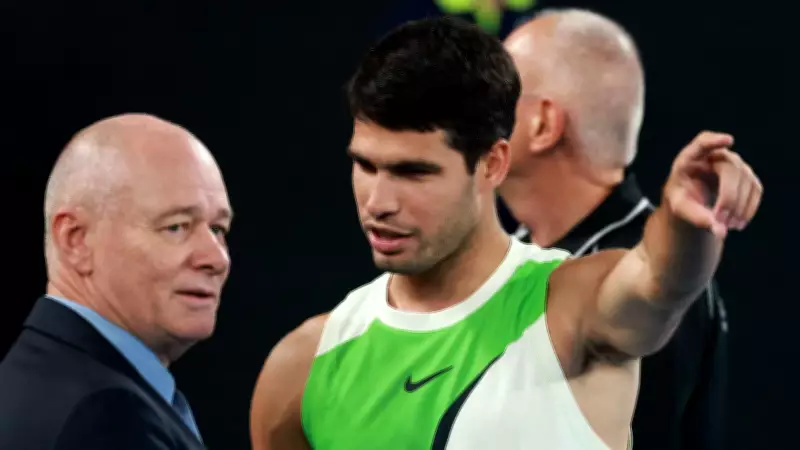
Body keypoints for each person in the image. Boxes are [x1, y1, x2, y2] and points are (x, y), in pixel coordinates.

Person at [249, 16, 761, 450]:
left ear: (492, 163)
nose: (378, 203)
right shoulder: (301, 364)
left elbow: (658, 282)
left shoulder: (571, 305)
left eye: (414, 172)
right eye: (365, 165)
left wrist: (685, 223)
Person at [498, 9, 728, 449]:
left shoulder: (650, 273)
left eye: (497, 94)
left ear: (543, 123)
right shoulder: (517, 256)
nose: (473, 115)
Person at [0, 114, 232, 450]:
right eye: (176, 226)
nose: (216, 259)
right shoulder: (104, 418)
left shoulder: (37, 379)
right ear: (76, 240)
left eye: (218, 230)